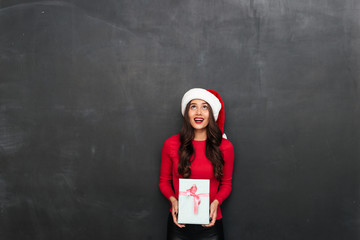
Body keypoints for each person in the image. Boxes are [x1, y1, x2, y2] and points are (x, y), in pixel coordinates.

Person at [159, 88, 235, 240]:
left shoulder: (225, 147)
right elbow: (164, 182)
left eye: (204, 107)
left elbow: (226, 183)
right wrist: (173, 200)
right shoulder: (171, 144)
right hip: (178, 225)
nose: (199, 112)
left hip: (211, 225)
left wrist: (216, 203)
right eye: (193, 106)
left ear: (211, 114)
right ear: (187, 112)